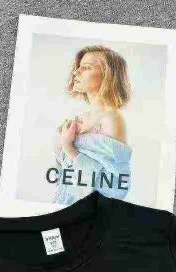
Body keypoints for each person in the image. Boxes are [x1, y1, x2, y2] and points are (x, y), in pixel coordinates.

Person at [52, 45, 133, 204]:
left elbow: (114, 188)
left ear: (108, 75)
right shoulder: (79, 118)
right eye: (78, 67)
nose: (76, 72)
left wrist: (68, 147)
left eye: (86, 67)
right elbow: (61, 174)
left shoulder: (112, 120)